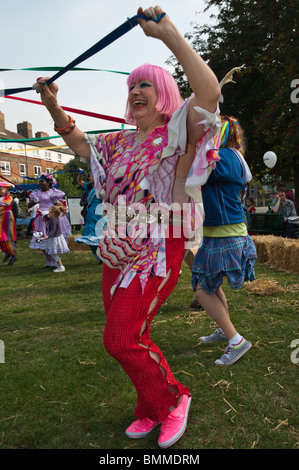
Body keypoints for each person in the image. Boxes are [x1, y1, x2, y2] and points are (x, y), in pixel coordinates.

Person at [33, 5, 221, 448]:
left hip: (159, 245)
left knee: (119, 338)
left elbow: (209, 93)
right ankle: (149, 405)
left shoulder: (178, 132)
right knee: (133, 335)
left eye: (145, 85)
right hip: (117, 246)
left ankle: (176, 398)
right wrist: (51, 102)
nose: (136, 91)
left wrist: (168, 35)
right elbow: (80, 144)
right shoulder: (118, 139)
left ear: (163, 93)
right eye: (131, 86)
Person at [192, 115, 257, 366]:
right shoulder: (227, 155)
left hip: (226, 235)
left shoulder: (226, 157)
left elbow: (201, 170)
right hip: (217, 234)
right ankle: (225, 329)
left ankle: (236, 341)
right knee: (206, 283)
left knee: (201, 292)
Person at [28, 173, 71, 267]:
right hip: (40, 219)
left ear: (48, 183)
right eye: (39, 181)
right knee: (41, 241)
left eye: (42, 181)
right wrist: (34, 201)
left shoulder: (53, 193)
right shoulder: (36, 194)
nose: (40, 183)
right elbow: (29, 206)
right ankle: (48, 262)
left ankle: (55, 262)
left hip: (50, 218)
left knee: (51, 240)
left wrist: (57, 210)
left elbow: (59, 205)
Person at [75, 172, 106, 262]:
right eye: (90, 176)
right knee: (88, 235)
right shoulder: (90, 188)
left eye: (92, 176)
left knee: (97, 234)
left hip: (98, 212)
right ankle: (97, 255)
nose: (90, 177)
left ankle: (102, 255)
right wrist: (80, 173)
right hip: (89, 213)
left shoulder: (101, 188)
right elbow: (79, 181)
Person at [39, 205, 70, 272]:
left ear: (53, 213)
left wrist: (48, 235)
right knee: (52, 253)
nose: (48, 213)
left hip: (55, 238)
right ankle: (60, 265)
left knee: (52, 252)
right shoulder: (54, 219)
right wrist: (42, 213)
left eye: (49, 212)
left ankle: (60, 266)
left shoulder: (54, 221)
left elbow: (53, 230)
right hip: (54, 237)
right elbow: (48, 218)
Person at [0, 182, 17, 265]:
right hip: (1, 218)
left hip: (7, 217)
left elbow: (6, 203)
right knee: (1, 237)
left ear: (6, 190)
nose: (0, 191)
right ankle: (7, 251)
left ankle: (13, 255)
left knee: (8, 236)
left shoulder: (8, 197)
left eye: (1, 189)